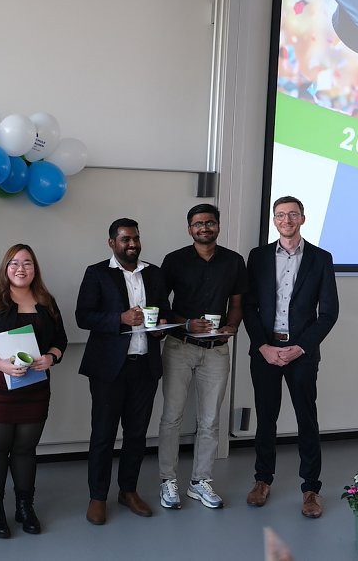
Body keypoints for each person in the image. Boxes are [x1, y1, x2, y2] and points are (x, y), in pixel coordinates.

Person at [242, 196, 339, 519]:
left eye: (293, 214)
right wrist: (263, 346)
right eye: (281, 215)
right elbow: (249, 307)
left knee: (306, 419)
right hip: (266, 351)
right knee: (266, 418)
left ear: (303, 219)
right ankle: (262, 480)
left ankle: (310, 488)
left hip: (302, 352)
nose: (287, 220)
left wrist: (301, 347)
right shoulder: (258, 257)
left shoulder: (321, 258)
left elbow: (329, 313)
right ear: (274, 220)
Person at [0, 244, 67, 538]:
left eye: (27, 263)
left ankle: (25, 506)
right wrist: (0, 364)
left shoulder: (47, 301)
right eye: (14, 263)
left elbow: (60, 339)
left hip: (34, 388)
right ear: (5, 268)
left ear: (35, 269)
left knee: (25, 450)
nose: (20, 268)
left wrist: (51, 357)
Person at [76, 218, 170, 525]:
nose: (132, 244)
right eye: (125, 239)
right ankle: (98, 496)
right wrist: (120, 318)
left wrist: (161, 328)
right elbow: (83, 316)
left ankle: (128, 491)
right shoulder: (97, 273)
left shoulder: (154, 273)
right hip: (108, 369)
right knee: (103, 434)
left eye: (136, 239)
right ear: (112, 243)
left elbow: (164, 311)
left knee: (137, 435)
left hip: (145, 366)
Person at [157, 204, 247, 510]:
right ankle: (168, 480)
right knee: (172, 417)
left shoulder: (234, 261)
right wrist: (185, 324)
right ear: (189, 229)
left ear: (218, 226)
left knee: (210, 420)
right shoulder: (174, 260)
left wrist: (231, 326)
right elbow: (160, 304)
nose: (204, 227)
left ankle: (200, 482)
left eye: (209, 222)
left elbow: (237, 303)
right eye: (198, 223)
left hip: (216, 350)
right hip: (179, 346)